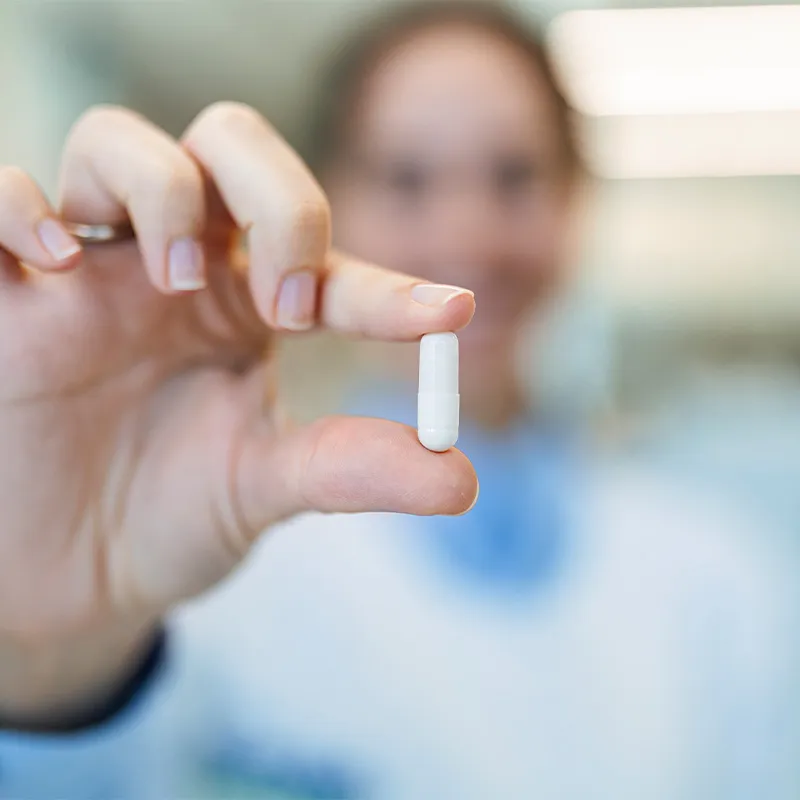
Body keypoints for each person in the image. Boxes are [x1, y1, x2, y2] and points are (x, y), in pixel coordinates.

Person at [0, 3, 797, 799]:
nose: (466, 233)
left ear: (575, 201)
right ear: (329, 202)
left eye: (514, 176)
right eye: (407, 179)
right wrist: (47, 665)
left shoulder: (714, 576)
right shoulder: (205, 547)